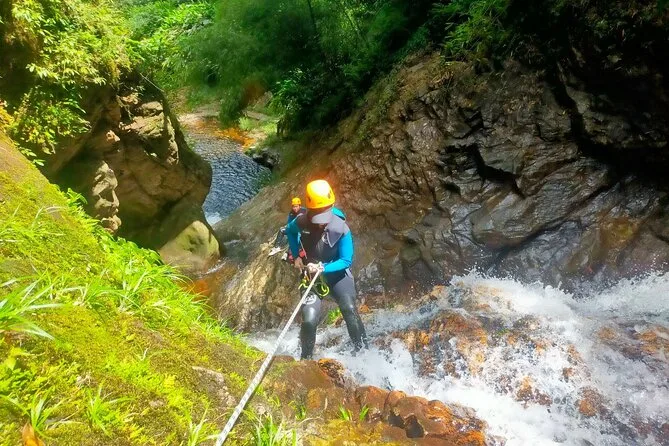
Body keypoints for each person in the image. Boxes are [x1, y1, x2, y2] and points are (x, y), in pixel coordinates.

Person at [285, 179, 368, 359]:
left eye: (323, 217)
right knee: (309, 319)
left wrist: (322, 267)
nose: (321, 224)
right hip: (310, 275)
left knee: (349, 309)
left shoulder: (341, 228)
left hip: (336, 274)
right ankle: (306, 360)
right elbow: (290, 232)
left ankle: (364, 353)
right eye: (317, 217)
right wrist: (296, 255)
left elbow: (345, 260)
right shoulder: (301, 221)